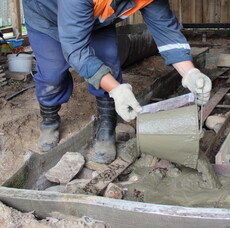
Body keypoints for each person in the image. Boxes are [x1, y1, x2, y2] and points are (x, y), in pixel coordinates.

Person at [22, 0, 212, 164]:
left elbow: (166, 31)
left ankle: (106, 127)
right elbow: (75, 49)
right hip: (46, 17)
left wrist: (190, 73)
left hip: (96, 19)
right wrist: (116, 90)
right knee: (52, 75)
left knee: (108, 61)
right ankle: (49, 121)